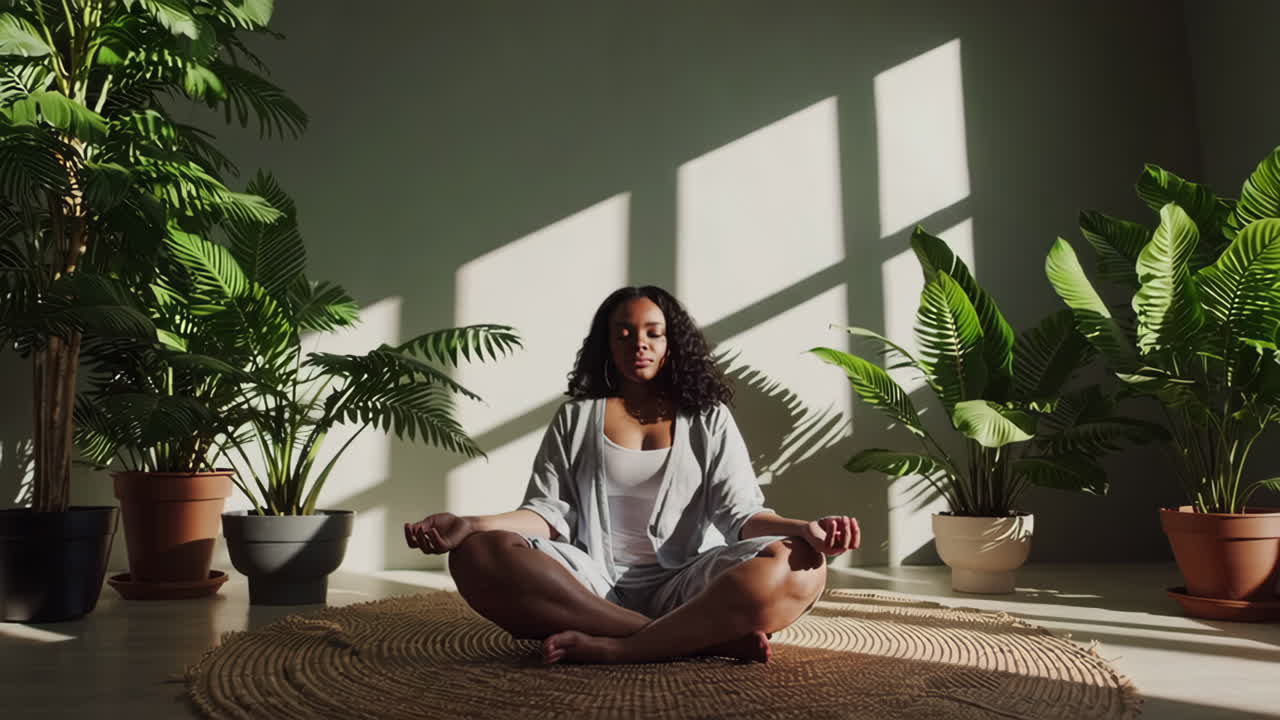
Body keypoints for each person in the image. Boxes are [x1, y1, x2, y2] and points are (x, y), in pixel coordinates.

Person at [404, 286, 859, 665]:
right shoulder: (577, 418)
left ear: (670, 343)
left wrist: (805, 530)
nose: (638, 344)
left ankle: (619, 649)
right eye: (623, 335)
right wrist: (471, 525)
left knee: (803, 565)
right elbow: (544, 512)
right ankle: (693, 641)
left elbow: (741, 513)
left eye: (652, 334)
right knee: (474, 555)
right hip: (587, 586)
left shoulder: (708, 418)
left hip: (690, 585)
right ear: (608, 345)